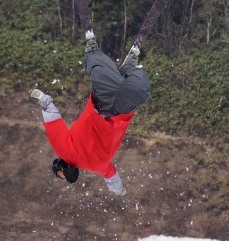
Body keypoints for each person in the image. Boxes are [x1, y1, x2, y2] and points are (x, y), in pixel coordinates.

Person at [30, 30, 150, 196]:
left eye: (62, 176)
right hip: (121, 111)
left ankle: (97, 54)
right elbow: (112, 178)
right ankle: (129, 69)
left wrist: (42, 99)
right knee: (139, 90)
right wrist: (119, 190)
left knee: (105, 72)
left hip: (103, 104)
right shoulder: (98, 167)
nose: (64, 176)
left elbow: (53, 121)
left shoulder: (65, 150)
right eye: (63, 177)